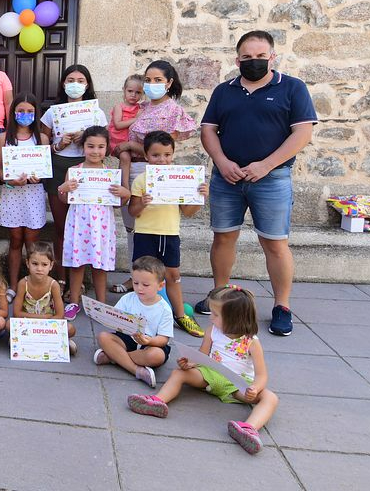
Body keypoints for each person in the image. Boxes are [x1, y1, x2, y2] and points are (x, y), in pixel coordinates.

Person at [200, 31, 317, 337]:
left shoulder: (292, 88)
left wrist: (266, 165)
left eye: (261, 56)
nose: (254, 62)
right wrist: (222, 163)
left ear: (272, 57)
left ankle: (282, 306)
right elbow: (209, 130)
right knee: (223, 238)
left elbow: (302, 134)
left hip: (272, 179)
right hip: (227, 178)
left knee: (275, 244)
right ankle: (220, 295)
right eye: (247, 57)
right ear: (237, 59)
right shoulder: (224, 91)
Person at [127, 285, 278, 455]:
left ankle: (248, 429)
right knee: (178, 373)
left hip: (236, 385)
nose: (211, 318)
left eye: (215, 315)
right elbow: (202, 356)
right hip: (209, 375)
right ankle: (156, 401)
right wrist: (189, 363)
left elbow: (262, 375)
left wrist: (255, 389)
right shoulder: (212, 331)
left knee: (270, 397)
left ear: (234, 318)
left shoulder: (252, 342)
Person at [117, 61, 198, 295]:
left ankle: (156, 282)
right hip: (133, 170)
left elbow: (161, 147)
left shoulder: (172, 110)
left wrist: (133, 144)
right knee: (133, 228)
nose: (151, 84)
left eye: (158, 80)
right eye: (148, 80)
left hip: (155, 172)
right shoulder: (141, 106)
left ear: (169, 83)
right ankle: (137, 277)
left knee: (151, 228)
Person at [127, 130, 207, 337]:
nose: (162, 160)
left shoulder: (180, 178)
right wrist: (142, 203)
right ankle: (139, 316)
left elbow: (188, 212)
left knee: (173, 275)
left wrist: (198, 197)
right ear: (146, 156)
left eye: (167, 154)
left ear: (173, 154)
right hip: (145, 233)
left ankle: (180, 315)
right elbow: (132, 211)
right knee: (143, 275)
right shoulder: (141, 180)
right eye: (156, 155)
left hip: (169, 233)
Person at [41, 65, 108, 286]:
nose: (75, 84)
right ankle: (61, 278)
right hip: (59, 168)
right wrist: (59, 145)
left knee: (84, 226)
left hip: (87, 170)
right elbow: (41, 146)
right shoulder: (52, 112)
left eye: (80, 80)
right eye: (71, 79)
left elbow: (105, 142)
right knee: (61, 227)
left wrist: (86, 137)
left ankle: (79, 280)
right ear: (63, 83)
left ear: (87, 84)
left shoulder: (96, 112)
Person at [57, 126, 130, 317]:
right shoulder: (74, 171)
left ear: (106, 148)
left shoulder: (110, 174)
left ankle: (101, 305)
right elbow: (65, 200)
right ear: (83, 147)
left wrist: (124, 194)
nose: (95, 151)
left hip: (102, 224)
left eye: (100, 147)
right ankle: (73, 302)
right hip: (79, 223)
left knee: (100, 265)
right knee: (77, 264)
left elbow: (117, 203)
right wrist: (63, 189)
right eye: (91, 146)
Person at [0, 93, 48, 298]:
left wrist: (39, 177)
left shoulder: (41, 138)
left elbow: (44, 169)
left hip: (33, 195)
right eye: (20, 111)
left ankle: (34, 286)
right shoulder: (2, 138)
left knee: (32, 243)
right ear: (13, 112)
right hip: (12, 195)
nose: (25, 115)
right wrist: (9, 180)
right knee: (15, 240)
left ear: (35, 114)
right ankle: (14, 285)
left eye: (29, 112)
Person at [93, 256, 173, 388]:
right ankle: (136, 370)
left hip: (150, 343)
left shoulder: (164, 309)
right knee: (103, 337)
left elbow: (164, 339)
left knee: (156, 356)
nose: (139, 288)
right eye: (135, 283)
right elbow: (116, 319)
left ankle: (113, 357)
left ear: (160, 285)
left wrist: (149, 341)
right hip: (127, 338)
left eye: (145, 285)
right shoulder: (127, 298)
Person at [12, 242, 77, 355]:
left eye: (44, 265)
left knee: (70, 329)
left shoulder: (54, 285)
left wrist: (46, 322)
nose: (39, 268)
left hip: (48, 326)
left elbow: (60, 314)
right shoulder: (23, 283)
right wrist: (40, 318)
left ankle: (35, 341)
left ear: (51, 265)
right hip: (29, 324)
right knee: (9, 326)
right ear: (27, 263)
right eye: (35, 264)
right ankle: (53, 341)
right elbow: (16, 313)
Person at [109, 74, 144, 187]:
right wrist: (136, 119)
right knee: (125, 157)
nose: (133, 95)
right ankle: (124, 186)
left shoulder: (141, 108)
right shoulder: (119, 107)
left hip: (132, 142)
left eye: (138, 92)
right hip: (118, 140)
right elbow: (118, 125)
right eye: (130, 91)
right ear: (124, 90)